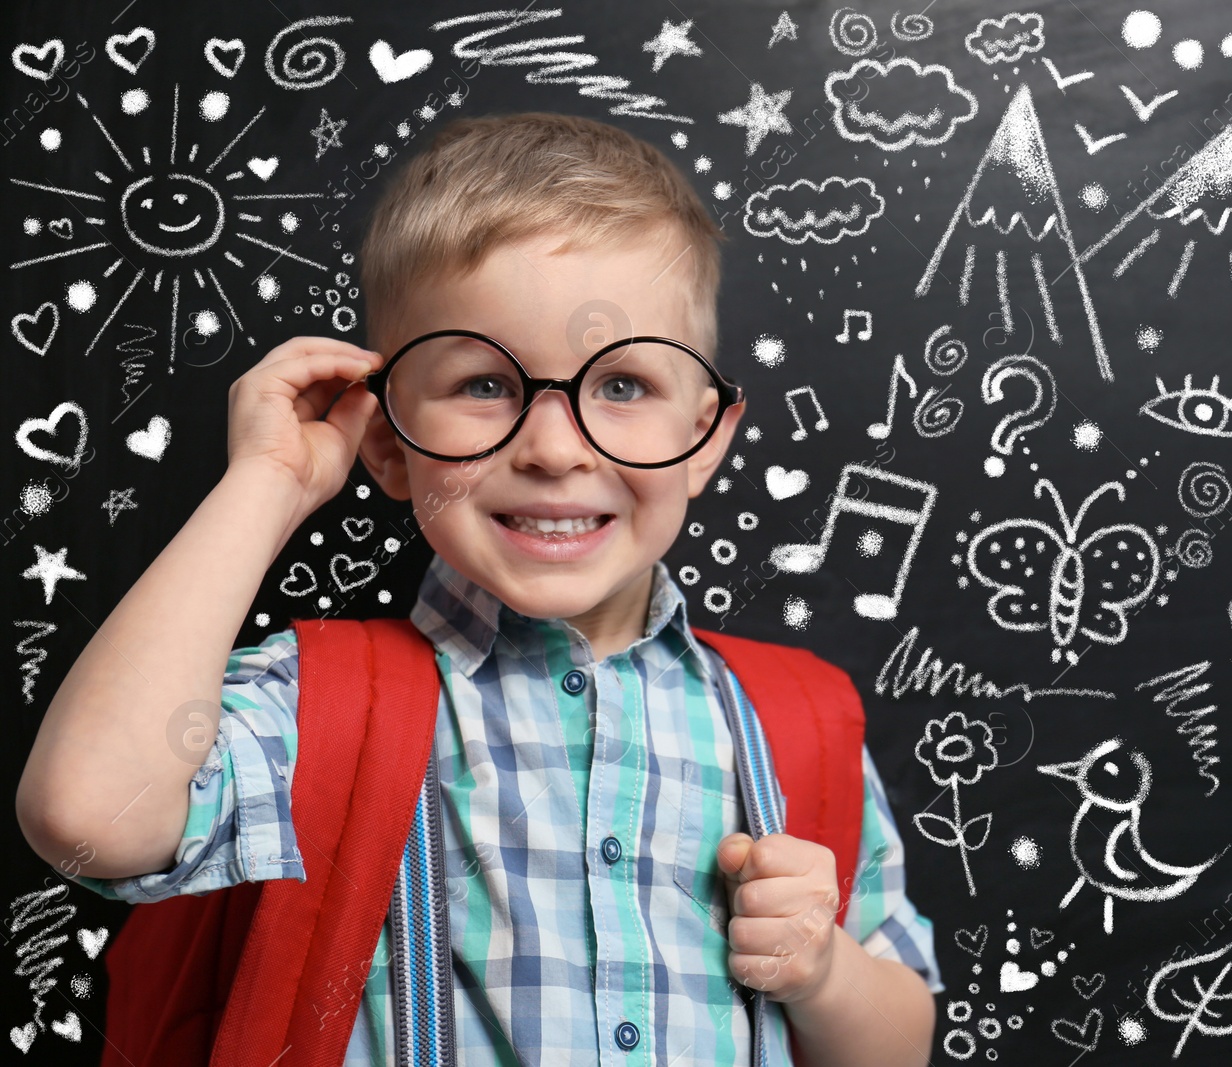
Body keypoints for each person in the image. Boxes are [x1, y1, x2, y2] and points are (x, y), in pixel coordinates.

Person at [16, 111, 940, 1065]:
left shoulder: (801, 721)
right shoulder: (323, 708)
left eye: (622, 386)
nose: (552, 448)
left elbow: (899, 1045)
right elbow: (86, 819)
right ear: (387, 442)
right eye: (485, 385)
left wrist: (822, 970)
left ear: (704, 438)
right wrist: (266, 484)